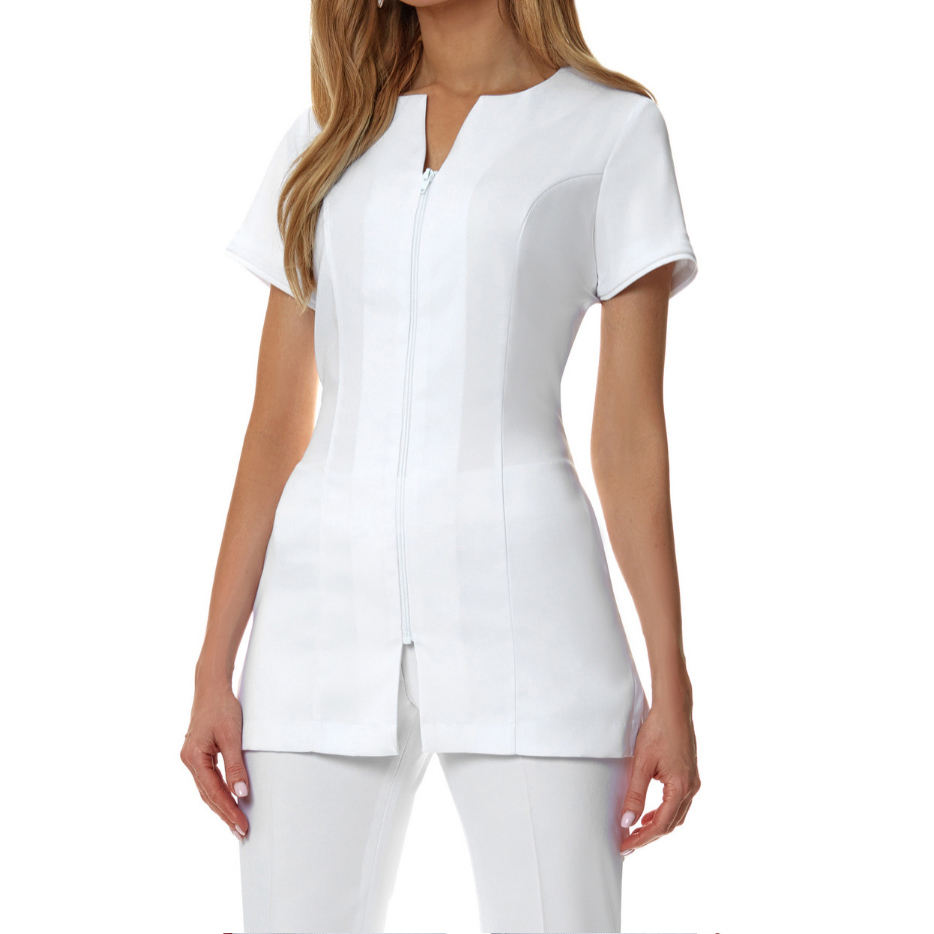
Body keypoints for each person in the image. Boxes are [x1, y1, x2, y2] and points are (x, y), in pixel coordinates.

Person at [180, 0, 701, 931]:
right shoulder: (324, 140)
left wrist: (672, 682)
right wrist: (213, 665)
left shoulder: (612, 130)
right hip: (316, 619)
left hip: (533, 612)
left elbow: (628, 435)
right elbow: (274, 427)